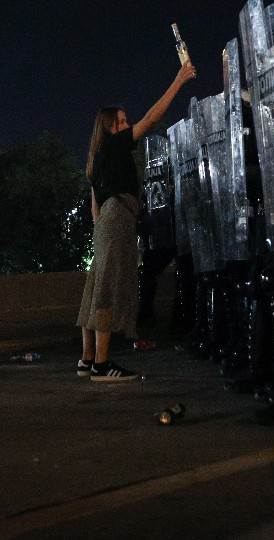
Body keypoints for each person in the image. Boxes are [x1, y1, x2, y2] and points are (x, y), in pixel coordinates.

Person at [77, 62, 197, 381]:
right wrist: (178, 80)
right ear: (110, 128)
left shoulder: (96, 160)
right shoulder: (115, 145)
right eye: (121, 122)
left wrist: (105, 229)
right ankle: (102, 364)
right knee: (108, 289)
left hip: (106, 221)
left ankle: (87, 359)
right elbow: (151, 118)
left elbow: (94, 208)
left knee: (96, 287)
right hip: (118, 217)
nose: (127, 125)